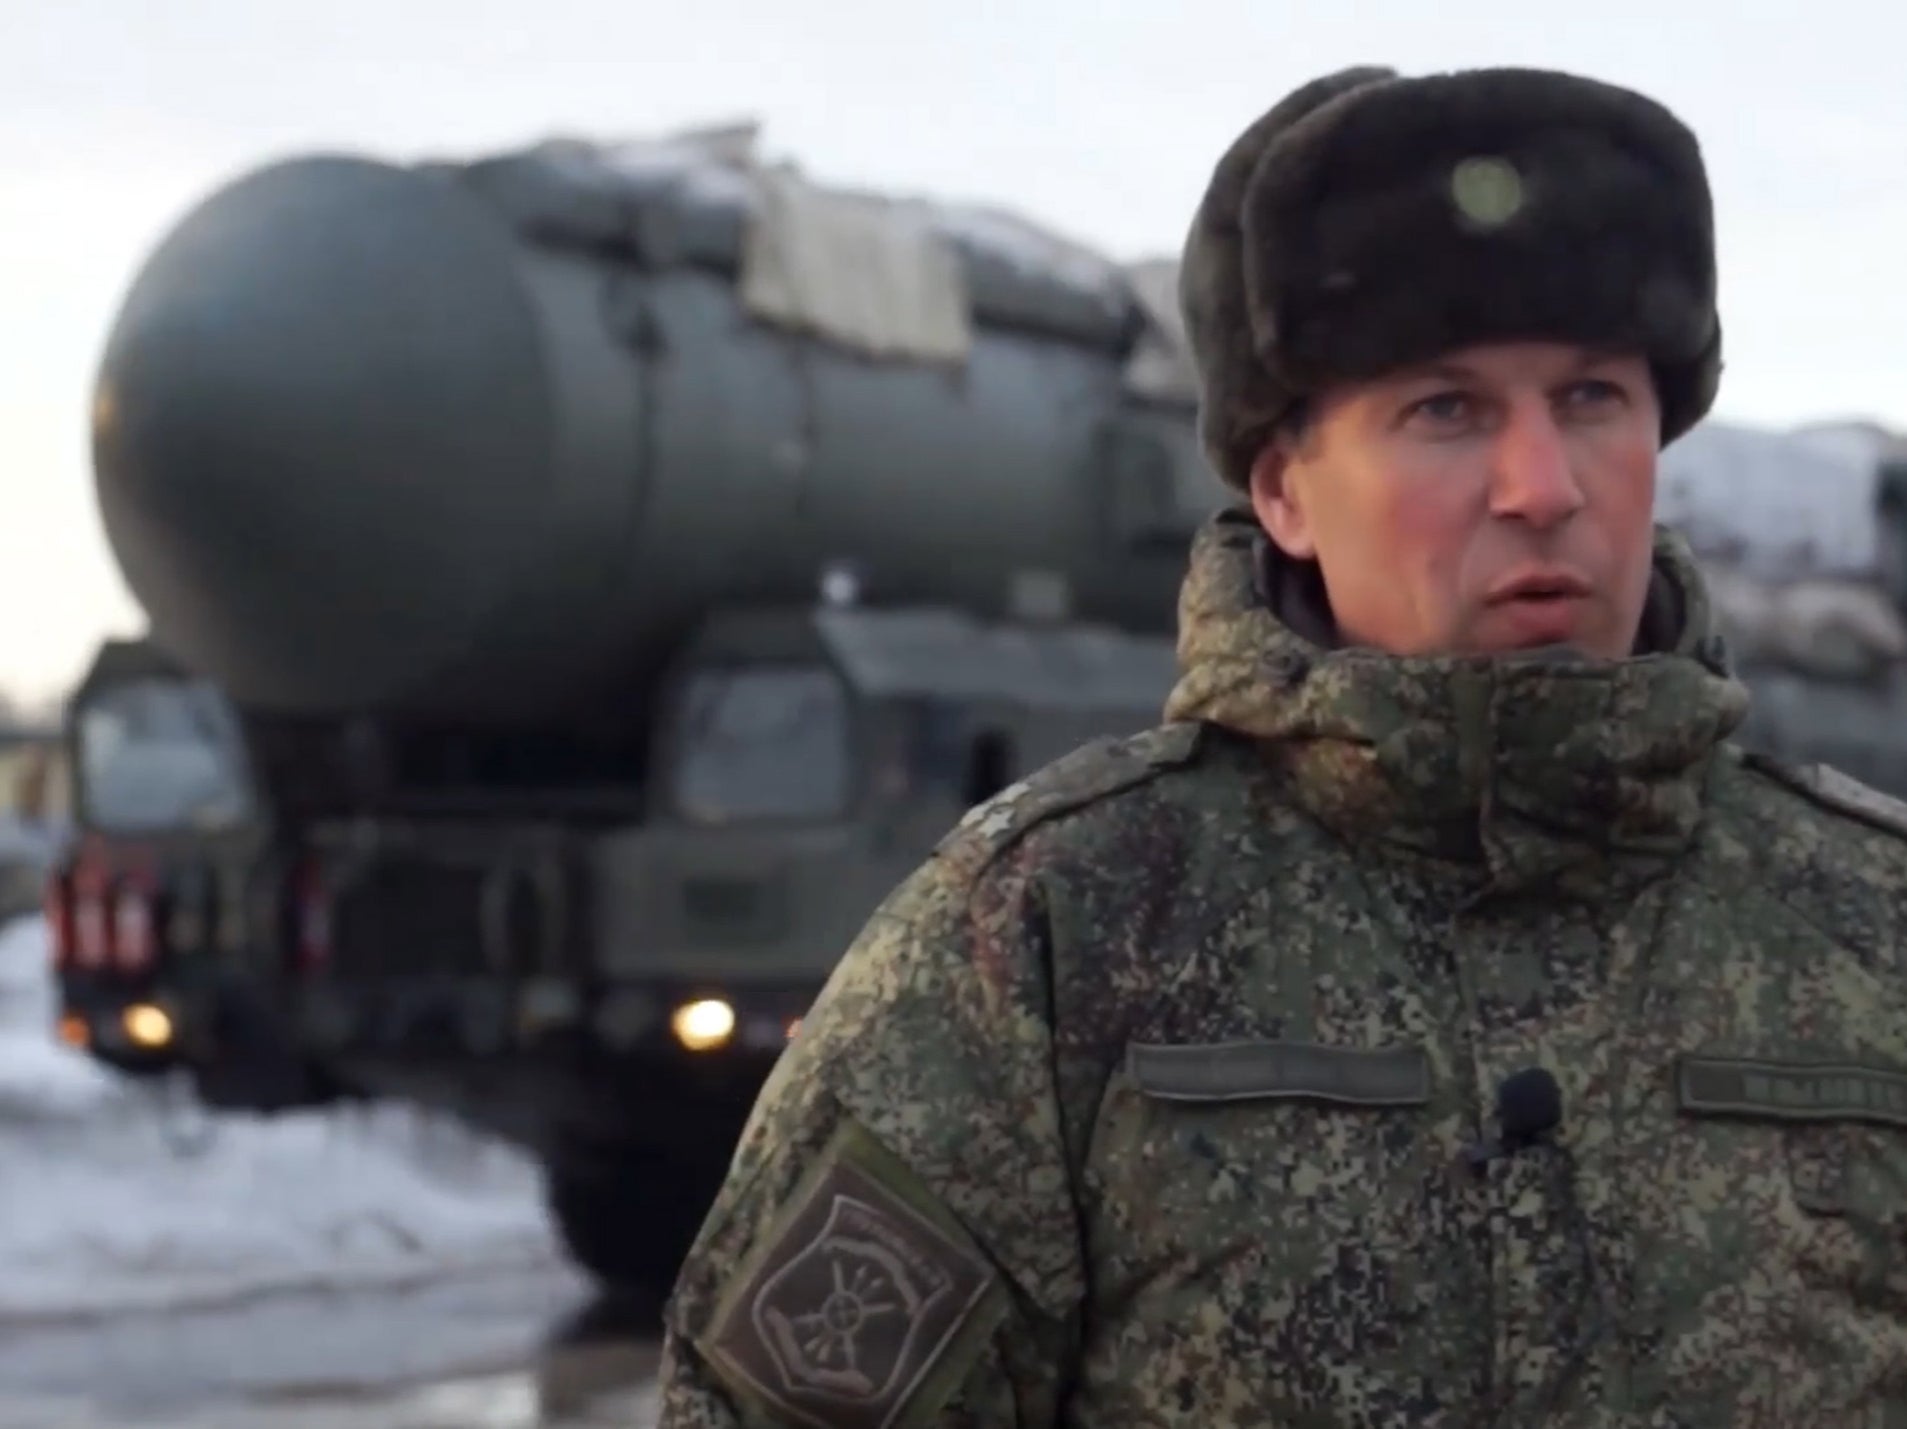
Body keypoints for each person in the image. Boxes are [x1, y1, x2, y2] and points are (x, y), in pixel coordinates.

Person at [655, 64, 1907, 1426]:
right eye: (1447, 409)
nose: (1544, 486)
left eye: (1594, 397)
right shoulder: (1060, 935)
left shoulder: (1870, 924)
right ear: (1284, 488)